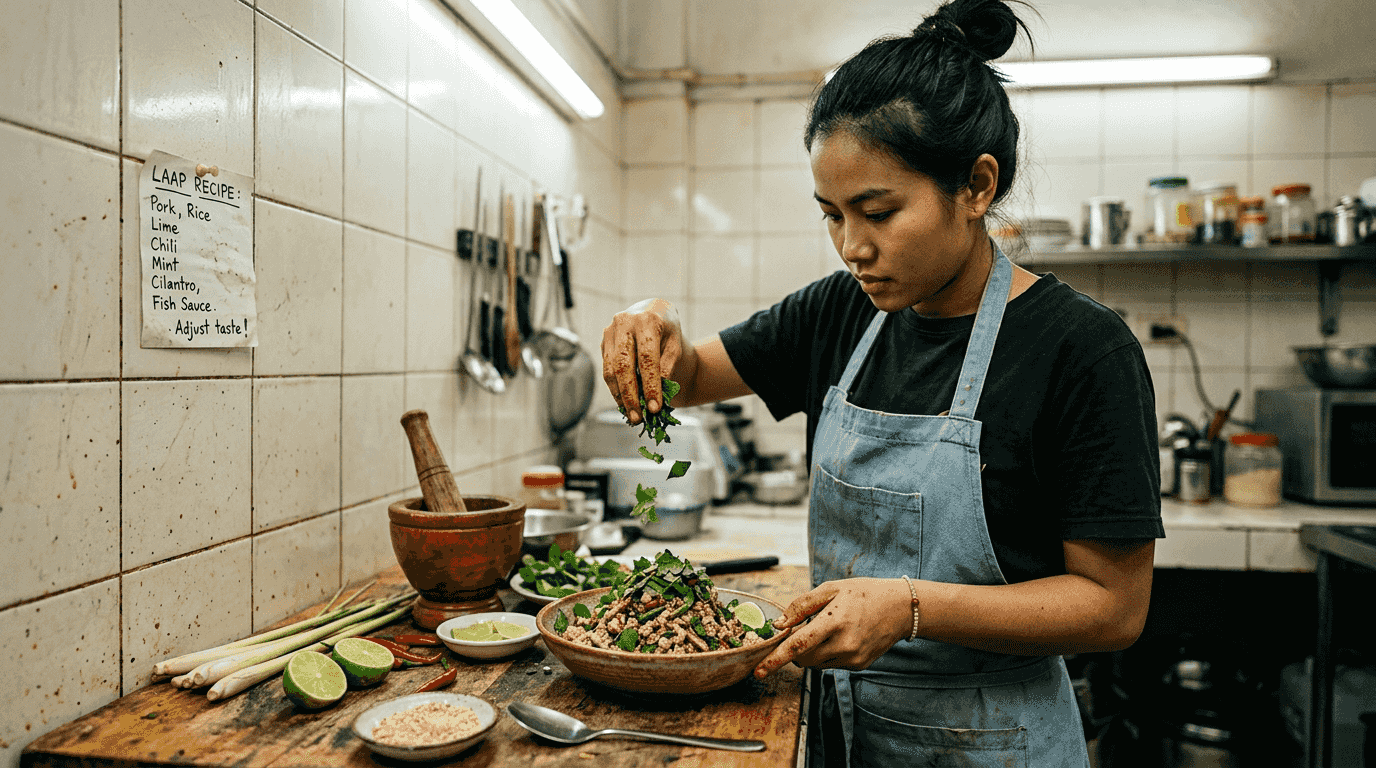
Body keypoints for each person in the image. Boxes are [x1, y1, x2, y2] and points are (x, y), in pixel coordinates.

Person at [600, 0, 1163, 763]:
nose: (851, 248)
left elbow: (1113, 608)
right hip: (839, 733)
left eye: (877, 211)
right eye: (831, 215)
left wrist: (910, 606)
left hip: (992, 741)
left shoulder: (1081, 347)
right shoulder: (840, 312)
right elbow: (689, 377)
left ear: (976, 186)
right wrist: (650, 317)